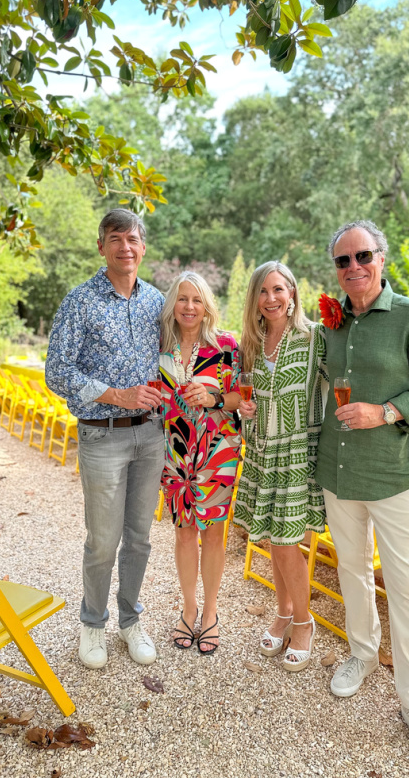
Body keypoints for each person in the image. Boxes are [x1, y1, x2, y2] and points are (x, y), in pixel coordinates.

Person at [316, 220, 409, 767]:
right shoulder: (330, 322)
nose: (353, 268)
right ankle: (362, 654)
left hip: (394, 474)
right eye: (343, 261)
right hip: (340, 469)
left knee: (405, 587)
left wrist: (387, 411)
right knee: (350, 570)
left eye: (363, 257)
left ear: (382, 259)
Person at [46, 208, 165, 670]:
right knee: (102, 540)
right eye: (116, 239)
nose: (125, 247)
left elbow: (183, 349)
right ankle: (92, 623)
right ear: (102, 246)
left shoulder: (157, 301)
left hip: (151, 437)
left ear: (142, 246)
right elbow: (57, 371)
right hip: (102, 437)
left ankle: (131, 620)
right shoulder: (80, 302)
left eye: (132, 239)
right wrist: (116, 395)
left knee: (139, 538)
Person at [233, 262, 327, 672]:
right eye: (263, 291)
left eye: (278, 290)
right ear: (255, 299)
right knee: (273, 538)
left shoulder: (314, 338)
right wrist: (244, 406)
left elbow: (346, 379)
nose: (271, 298)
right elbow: (241, 393)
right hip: (260, 452)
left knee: (288, 542)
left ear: (292, 293)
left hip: (294, 453)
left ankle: (304, 623)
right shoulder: (250, 344)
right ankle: (284, 612)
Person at [159, 272, 242, 654]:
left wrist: (212, 399)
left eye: (197, 299)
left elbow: (241, 398)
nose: (189, 307)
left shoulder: (225, 345)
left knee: (213, 532)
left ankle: (210, 612)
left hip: (217, 449)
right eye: (182, 299)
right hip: (175, 452)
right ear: (172, 305)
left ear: (207, 304)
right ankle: (188, 607)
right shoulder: (160, 346)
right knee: (183, 532)